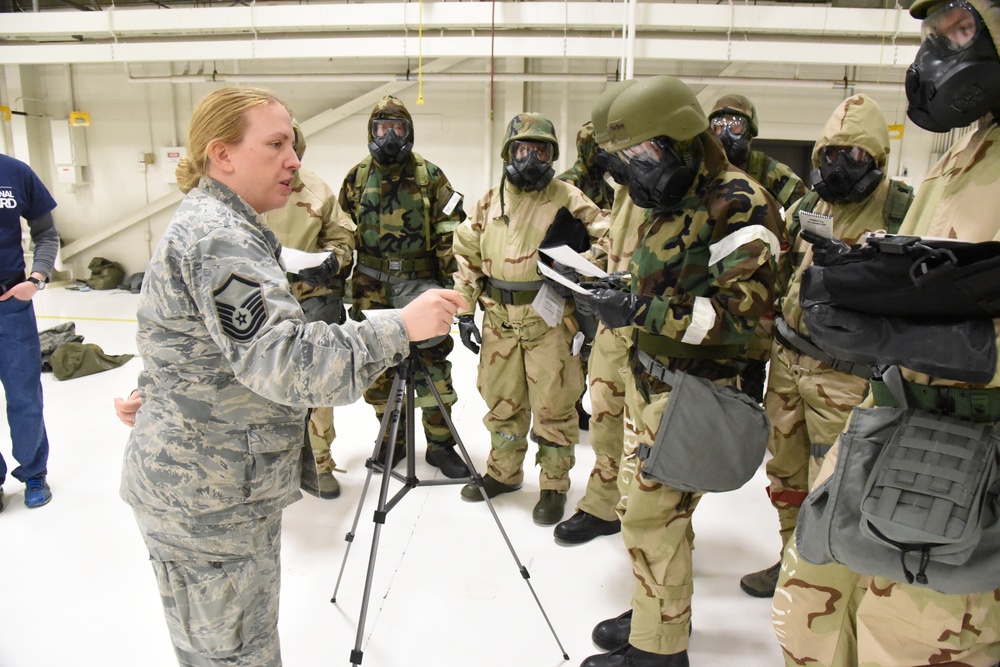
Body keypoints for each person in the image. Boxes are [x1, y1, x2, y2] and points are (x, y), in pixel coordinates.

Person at [118, 86, 466, 667]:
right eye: (276, 144)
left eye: (293, 144)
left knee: (218, 647)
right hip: (211, 500)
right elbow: (282, 360)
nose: (294, 159)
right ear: (222, 154)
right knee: (235, 655)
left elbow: (188, 334)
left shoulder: (222, 223)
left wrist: (160, 392)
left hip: (204, 481)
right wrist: (399, 327)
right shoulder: (221, 236)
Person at [772, 0, 1000, 664]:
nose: (939, 54)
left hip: (964, 457)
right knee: (808, 614)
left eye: (960, 28)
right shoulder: (968, 153)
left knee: (908, 640)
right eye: (933, 36)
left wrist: (907, 337)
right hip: (888, 423)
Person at [580, 75, 782, 667]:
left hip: (700, 391)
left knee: (651, 516)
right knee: (652, 516)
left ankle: (659, 651)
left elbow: (743, 319)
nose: (634, 173)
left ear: (683, 139)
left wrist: (639, 309)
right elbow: (668, 276)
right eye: (626, 160)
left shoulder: (739, 203)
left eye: (644, 155)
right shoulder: (674, 197)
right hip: (653, 382)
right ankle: (657, 611)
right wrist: (619, 289)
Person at [739, 94, 914, 598]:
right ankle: (793, 558)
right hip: (789, 363)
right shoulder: (809, 207)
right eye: (830, 155)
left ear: (877, 159)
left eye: (854, 156)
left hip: (848, 375)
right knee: (786, 471)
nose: (839, 167)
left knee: (837, 480)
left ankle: (830, 581)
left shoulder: (903, 209)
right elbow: (778, 280)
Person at [452, 112, 608, 526]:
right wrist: (465, 311)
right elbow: (466, 256)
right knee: (502, 403)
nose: (531, 159)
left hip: (550, 320)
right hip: (498, 318)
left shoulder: (569, 197)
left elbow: (611, 236)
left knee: (555, 406)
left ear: (553, 156)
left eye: (541, 151)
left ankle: (554, 486)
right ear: (508, 152)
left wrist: (584, 263)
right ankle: (503, 474)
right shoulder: (488, 201)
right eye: (523, 149)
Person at [338, 95, 469, 478]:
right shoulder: (357, 177)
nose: (390, 136)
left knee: (433, 366)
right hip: (371, 287)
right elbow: (342, 233)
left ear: (409, 132)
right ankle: (393, 439)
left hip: (421, 284)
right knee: (379, 367)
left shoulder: (430, 175)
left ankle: (441, 446)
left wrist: (454, 291)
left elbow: (451, 233)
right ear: (371, 132)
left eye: (398, 129)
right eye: (382, 129)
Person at [553, 81, 646, 545]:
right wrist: (587, 262)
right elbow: (618, 244)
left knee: (646, 433)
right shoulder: (629, 188)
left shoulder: (673, 185)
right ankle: (603, 505)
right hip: (613, 323)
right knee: (606, 417)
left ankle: (644, 518)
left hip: (652, 327)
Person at [265, 120, 356, 500]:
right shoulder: (241, 191)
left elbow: (342, 236)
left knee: (316, 383)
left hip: (311, 300)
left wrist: (332, 262)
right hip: (258, 305)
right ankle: (267, 471)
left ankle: (319, 462)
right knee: (261, 387)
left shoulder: (316, 189)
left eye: (292, 146)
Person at [708, 94, 806, 404]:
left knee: (751, 364)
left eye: (735, 126)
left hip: (758, 281)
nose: (725, 134)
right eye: (718, 125)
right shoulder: (706, 170)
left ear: (750, 132)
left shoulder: (769, 170)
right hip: (712, 278)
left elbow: (805, 208)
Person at [0, 151, 59, 511]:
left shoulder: (15, 172)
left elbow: (46, 234)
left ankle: (34, 472)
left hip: (11, 305)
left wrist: (36, 279)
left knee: (24, 395)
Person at [557, 120, 617, 432]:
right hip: (569, 278)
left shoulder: (609, 187)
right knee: (573, 348)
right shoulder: (567, 184)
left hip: (597, 277)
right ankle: (572, 404)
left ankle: (587, 402)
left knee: (593, 346)